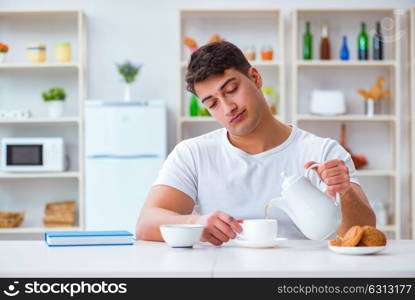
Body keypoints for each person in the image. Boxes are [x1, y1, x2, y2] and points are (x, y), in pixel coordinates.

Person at [136, 41, 375, 246]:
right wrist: (196, 223)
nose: (228, 108)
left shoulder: (322, 152)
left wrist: (345, 192)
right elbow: (146, 223)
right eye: (212, 103)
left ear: (255, 78)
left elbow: (363, 231)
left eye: (231, 89)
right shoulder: (193, 154)